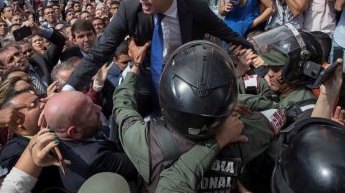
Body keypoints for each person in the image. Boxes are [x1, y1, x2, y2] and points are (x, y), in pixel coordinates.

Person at [63, 0, 252, 115]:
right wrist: (67, 90)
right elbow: (98, 54)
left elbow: (229, 35)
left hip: (190, 82)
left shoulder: (196, 9)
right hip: (145, 81)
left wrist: (258, 53)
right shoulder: (129, 9)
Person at [114, 39, 284, 192]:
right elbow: (278, 113)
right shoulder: (240, 134)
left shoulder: (143, 142)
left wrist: (135, 66)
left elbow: (122, 104)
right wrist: (229, 104)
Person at [42, 91, 138, 192]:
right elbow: (143, 160)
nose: (99, 108)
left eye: (92, 104)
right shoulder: (94, 160)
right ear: (74, 132)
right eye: (90, 111)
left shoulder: (58, 130)